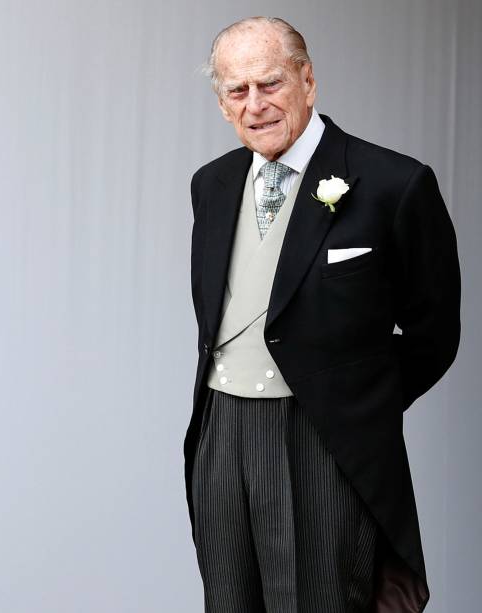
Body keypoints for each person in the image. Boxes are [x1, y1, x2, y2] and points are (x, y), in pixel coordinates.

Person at [185, 17, 459, 612]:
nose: (255, 105)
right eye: (238, 91)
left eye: (271, 84)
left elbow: (436, 331)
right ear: (222, 103)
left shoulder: (395, 182)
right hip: (221, 431)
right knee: (228, 601)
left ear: (308, 81)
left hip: (323, 439)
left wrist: (355, 400)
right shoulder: (211, 184)